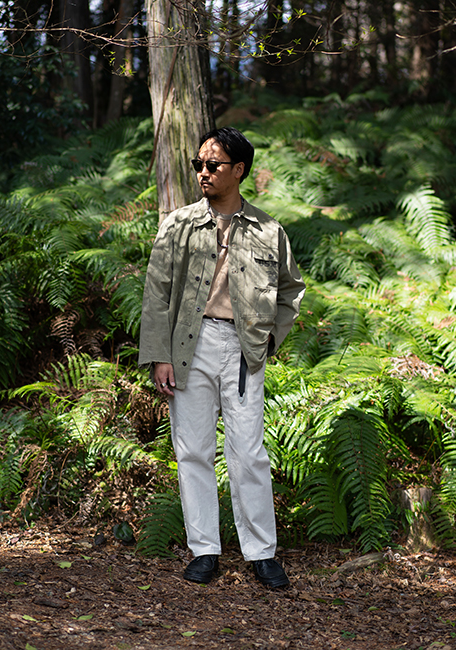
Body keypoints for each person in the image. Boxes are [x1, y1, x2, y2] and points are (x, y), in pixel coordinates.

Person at [138, 127, 305, 588]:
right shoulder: (178, 225)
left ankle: (262, 553)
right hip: (188, 346)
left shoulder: (269, 231)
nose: (203, 172)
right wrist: (159, 355)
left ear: (239, 170)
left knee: (249, 452)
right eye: (199, 164)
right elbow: (156, 294)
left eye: (213, 165)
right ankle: (204, 550)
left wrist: (268, 341)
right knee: (193, 450)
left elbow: (291, 291)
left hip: (245, 349)